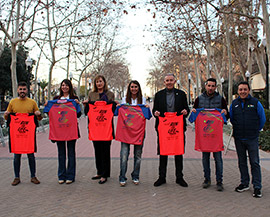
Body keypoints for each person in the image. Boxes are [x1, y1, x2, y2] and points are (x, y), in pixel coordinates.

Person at [152, 73, 189, 187]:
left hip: (177, 128)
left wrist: (185, 112)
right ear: (164, 82)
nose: (169, 82)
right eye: (167, 80)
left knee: (178, 153)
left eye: (171, 80)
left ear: (174, 81)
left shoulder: (182, 94)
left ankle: (179, 177)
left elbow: (186, 108)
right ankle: (161, 177)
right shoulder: (158, 95)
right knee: (163, 153)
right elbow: (155, 110)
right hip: (163, 128)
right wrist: (156, 113)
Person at [192, 78, 229, 191]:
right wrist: (193, 112)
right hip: (204, 136)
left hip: (216, 136)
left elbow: (226, 117)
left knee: (218, 159)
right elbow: (193, 117)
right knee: (205, 158)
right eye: (209, 86)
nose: (211, 88)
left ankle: (219, 181)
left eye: (213, 86)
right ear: (206, 86)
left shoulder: (221, 99)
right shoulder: (199, 99)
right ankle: (207, 179)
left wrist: (225, 113)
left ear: (215, 87)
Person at [230, 81, 266, 198]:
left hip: (252, 138)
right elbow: (231, 118)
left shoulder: (256, 103)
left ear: (248, 90)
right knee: (242, 162)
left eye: (245, 89)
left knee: (254, 162)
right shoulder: (234, 104)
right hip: (239, 138)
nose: (243, 91)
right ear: (238, 91)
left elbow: (262, 119)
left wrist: (256, 129)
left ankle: (257, 186)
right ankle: (244, 183)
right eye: (240, 89)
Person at [4, 81, 42, 186]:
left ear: (27, 90)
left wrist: (38, 114)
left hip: (29, 135)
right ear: (17, 90)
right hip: (17, 135)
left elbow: (38, 118)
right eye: (20, 89)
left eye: (24, 89)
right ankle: (16, 177)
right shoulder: (12, 102)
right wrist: (7, 115)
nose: (22, 91)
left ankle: (33, 176)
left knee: (31, 155)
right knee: (17, 156)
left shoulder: (32, 103)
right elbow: (7, 118)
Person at [84, 75, 115, 184]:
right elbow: (87, 111)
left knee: (105, 151)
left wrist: (114, 104)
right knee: (97, 150)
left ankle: (105, 174)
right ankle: (99, 171)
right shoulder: (91, 95)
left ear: (104, 82)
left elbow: (113, 111)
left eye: (101, 81)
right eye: (97, 82)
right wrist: (86, 104)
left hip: (106, 128)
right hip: (95, 127)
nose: (99, 83)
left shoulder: (110, 94)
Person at [50, 79, 81, 184]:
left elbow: (78, 114)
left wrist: (77, 104)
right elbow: (49, 113)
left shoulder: (74, 99)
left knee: (71, 153)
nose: (64, 87)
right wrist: (47, 105)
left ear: (70, 87)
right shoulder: (56, 99)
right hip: (59, 130)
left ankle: (71, 176)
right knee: (61, 153)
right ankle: (61, 175)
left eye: (66, 85)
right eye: (63, 85)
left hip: (71, 130)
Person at [118, 80, 147, 187]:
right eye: (132, 87)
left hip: (139, 131)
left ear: (138, 88)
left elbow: (147, 116)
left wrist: (147, 109)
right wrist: (118, 107)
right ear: (129, 89)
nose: (134, 89)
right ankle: (122, 176)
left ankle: (136, 175)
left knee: (138, 156)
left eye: (135, 87)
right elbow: (118, 113)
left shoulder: (143, 100)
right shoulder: (124, 100)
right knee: (124, 155)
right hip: (126, 131)